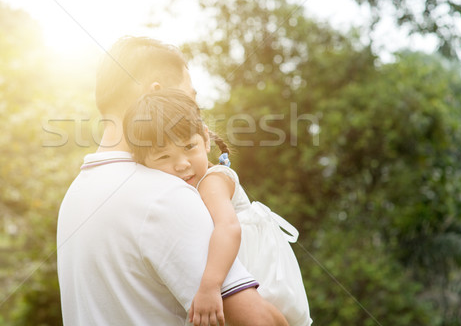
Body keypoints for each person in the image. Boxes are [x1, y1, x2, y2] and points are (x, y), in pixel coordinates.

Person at [57, 36, 288, 325]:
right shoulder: (165, 194)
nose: (195, 110)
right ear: (156, 93)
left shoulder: (76, 196)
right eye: (191, 98)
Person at [123, 89, 312, 326]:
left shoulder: (214, 180)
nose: (182, 164)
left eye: (189, 147)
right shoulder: (178, 192)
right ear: (142, 163)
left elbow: (228, 228)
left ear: (205, 138)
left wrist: (209, 287)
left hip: (260, 275)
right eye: (163, 157)